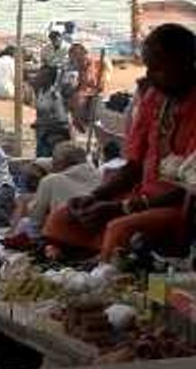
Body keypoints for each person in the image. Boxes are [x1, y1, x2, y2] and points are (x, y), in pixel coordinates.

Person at [43, 24, 196, 263]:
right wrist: (95, 196)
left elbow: (188, 191)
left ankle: (101, 278)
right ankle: (78, 274)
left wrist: (121, 208)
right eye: (149, 67)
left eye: (158, 68)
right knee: (62, 219)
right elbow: (133, 166)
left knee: (120, 229)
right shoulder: (154, 98)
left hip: (180, 209)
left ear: (186, 61)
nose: (148, 76)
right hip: (138, 200)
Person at [28, 142, 101, 233]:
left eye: (53, 158)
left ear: (60, 162)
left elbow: (36, 216)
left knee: (25, 224)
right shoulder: (101, 176)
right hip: (95, 233)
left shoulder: (51, 180)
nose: (52, 162)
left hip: (63, 235)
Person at [32, 65, 71, 158]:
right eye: (39, 74)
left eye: (42, 75)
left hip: (53, 136)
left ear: (49, 79)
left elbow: (62, 119)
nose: (38, 77)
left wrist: (41, 123)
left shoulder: (55, 95)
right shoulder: (41, 92)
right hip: (42, 134)